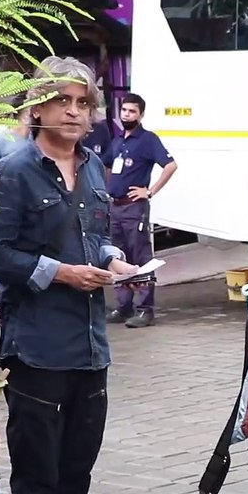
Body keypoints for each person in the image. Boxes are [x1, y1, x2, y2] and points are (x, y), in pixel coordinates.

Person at [0, 56, 139, 494]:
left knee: (77, 469)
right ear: (38, 107)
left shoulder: (95, 168)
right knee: (39, 472)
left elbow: (93, 241)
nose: (73, 112)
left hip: (91, 346)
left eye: (83, 103)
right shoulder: (15, 172)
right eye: (63, 102)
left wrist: (114, 264)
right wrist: (60, 273)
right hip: (37, 347)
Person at [104, 93, 178, 328]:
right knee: (118, 257)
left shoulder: (147, 140)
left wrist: (151, 190)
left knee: (141, 257)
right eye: (124, 110)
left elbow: (170, 165)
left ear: (141, 114)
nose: (126, 114)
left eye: (132, 111)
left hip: (134, 209)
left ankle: (145, 310)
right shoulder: (117, 140)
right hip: (115, 208)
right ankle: (123, 307)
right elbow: (106, 165)